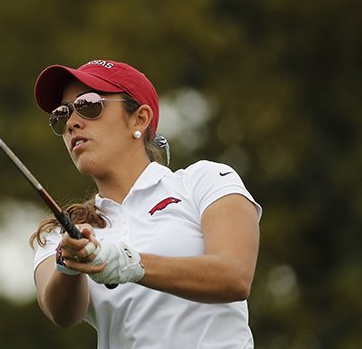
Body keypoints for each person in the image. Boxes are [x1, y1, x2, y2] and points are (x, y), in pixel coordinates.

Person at [30, 59, 262, 349]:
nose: (73, 123)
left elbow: (235, 277)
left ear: (139, 119)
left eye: (89, 105)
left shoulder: (205, 181)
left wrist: (129, 263)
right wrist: (69, 264)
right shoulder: (62, 233)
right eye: (62, 115)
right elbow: (62, 314)